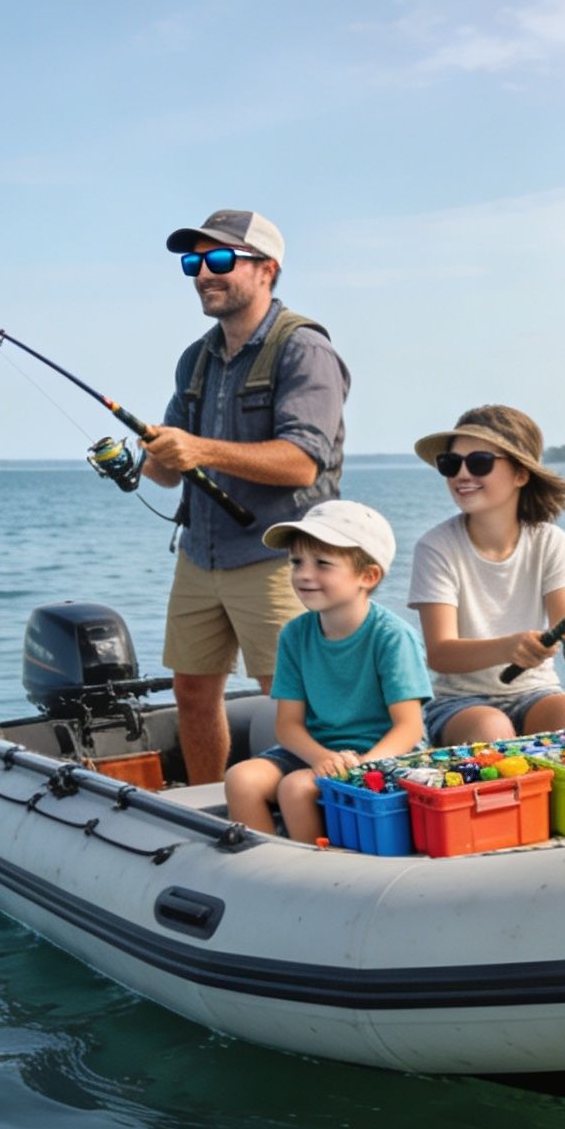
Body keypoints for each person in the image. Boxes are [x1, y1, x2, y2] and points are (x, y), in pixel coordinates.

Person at [143, 210, 350, 788]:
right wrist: (149, 456)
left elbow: (303, 460)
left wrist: (199, 449)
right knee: (191, 690)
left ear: (267, 269)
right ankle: (211, 806)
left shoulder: (303, 350)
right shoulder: (196, 358)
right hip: (200, 553)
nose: (203, 274)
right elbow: (163, 473)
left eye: (219, 260)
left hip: (278, 556)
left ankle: (326, 814)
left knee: (288, 696)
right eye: (194, 262)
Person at [223, 501, 429, 840]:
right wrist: (321, 758)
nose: (304, 574)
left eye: (322, 564)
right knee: (241, 779)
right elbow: (288, 726)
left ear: (368, 576)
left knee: (296, 788)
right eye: (296, 562)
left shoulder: (393, 637)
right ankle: (263, 874)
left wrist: (362, 767)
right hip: (316, 751)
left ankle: (318, 878)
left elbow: (408, 728)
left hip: (386, 756)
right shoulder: (295, 634)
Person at [406, 406, 565, 746]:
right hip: (459, 703)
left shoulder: (550, 541)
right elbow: (440, 654)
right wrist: (508, 648)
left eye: (479, 462)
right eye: (451, 464)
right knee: (491, 729)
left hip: (538, 692)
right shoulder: (435, 547)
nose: (461, 475)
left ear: (521, 474)